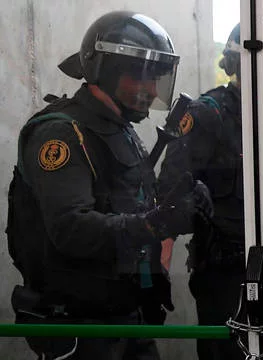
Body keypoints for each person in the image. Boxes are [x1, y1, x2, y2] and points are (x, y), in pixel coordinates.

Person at [6, 11, 212, 360]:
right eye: (140, 78)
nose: (150, 90)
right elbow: (70, 228)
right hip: (80, 325)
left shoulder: (118, 127)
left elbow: (125, 207)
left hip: (124, 317)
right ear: (106, 70)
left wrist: (183, 205)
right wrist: (156, 222)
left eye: (156, 79)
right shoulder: (62, 132)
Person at [158, 23, 245, 360]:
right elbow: (169, 192)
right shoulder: (209, 113)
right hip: (223, 275)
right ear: (235, 64)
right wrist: (157, 270)